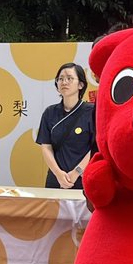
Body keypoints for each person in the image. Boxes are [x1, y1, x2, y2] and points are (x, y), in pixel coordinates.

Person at [36, 62, 96, 190]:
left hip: (83, 179)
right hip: (55, 179)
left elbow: (96, 147)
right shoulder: (50, 112)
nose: (64, 82)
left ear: (80, 84)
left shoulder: (91, 111)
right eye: (60, 79)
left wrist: (77, 172)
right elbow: (46, 146)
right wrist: (58, 173)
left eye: (69, 78)